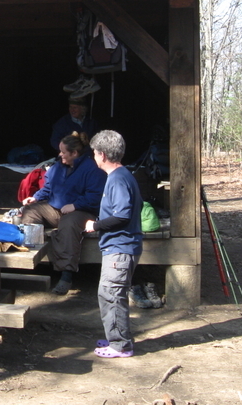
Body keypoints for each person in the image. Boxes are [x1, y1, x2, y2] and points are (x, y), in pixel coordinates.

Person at [21, 132, 106, 295]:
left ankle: (66, 275)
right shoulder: (58, 166)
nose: (60, 155)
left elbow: (95, 197)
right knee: (30, 213)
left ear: (74, 153)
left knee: (68, 224)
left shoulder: (91, 168)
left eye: (63, 152)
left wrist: (75, 205)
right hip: (56, 209)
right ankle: (31, 260)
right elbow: (48, 188)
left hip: (82, 211)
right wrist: (35, 197)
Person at [84, 130, 143, 358]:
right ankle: (116, 337)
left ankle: (120, 345)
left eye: (94, 154)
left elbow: (122, 215)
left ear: (102, 155)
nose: (94, 158)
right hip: (119, 246)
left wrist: (95, 225)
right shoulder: (120, 176)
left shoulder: (118, 179)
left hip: (120, 247)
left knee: (112, 294)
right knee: (108, 293)